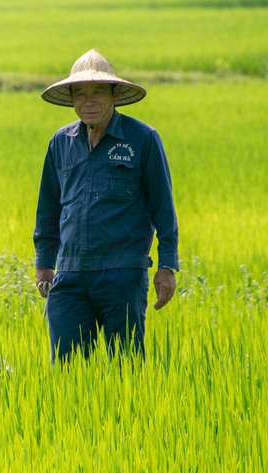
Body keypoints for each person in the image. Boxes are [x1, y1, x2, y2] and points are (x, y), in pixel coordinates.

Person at [33, 49, 179, 366]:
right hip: (69, 276)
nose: (88, 101)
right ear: (71, 99)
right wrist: (44, 262)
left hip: (122, 273)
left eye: (97, 91)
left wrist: (167, 265)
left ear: (114, 94)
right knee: (67, 371)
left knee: (125, 368)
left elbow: (163, 208)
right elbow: (48, 209)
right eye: (80, 93)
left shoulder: (143, 139)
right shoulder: (60, 142)